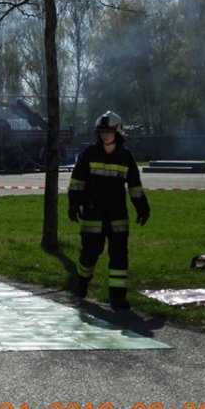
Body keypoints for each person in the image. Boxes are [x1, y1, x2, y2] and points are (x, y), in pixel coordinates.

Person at [67, 111, 150, 310]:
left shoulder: (125, 157)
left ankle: (117, 297)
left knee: (119, 255)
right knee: (90, 253)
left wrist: (142, 208)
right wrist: (73, 204)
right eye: (102, 131)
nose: (105, 135)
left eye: (109, 132)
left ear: (118, 132)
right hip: (93, 212)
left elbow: (135, 186)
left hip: (117, 214)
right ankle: (82, 281)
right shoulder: (89, 154)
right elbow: (77, 182)